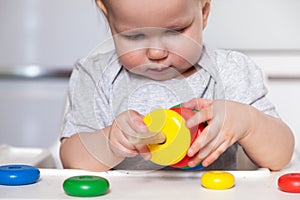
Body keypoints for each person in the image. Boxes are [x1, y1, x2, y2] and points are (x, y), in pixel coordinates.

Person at [59, 0, 295, 172]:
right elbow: (71, 160)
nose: (156, 52)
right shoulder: (94, 74)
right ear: (108, 17)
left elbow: (281, 156)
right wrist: (109, 143)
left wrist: (248, 123)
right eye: (134, 36)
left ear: (204, 11)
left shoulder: (230, 70)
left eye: (175, 31)